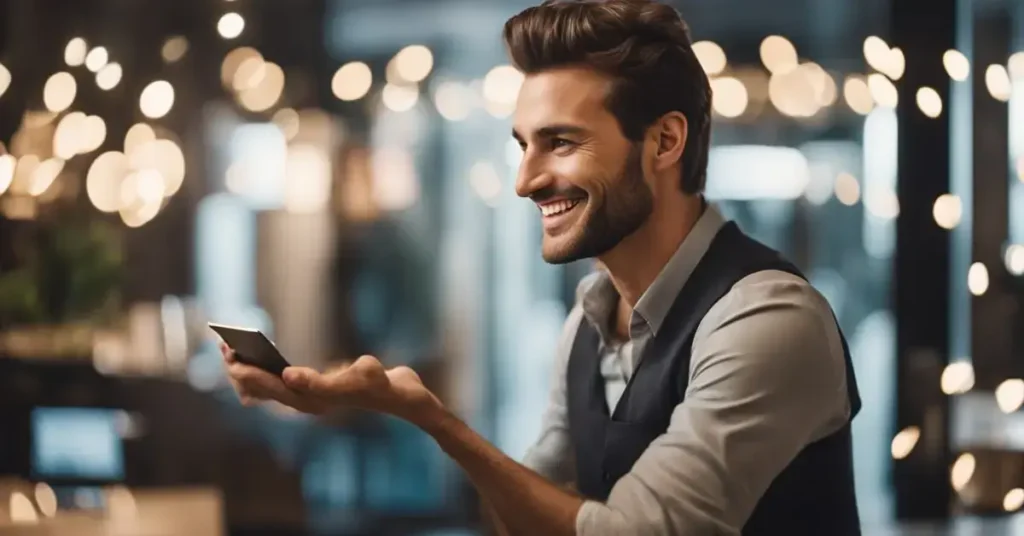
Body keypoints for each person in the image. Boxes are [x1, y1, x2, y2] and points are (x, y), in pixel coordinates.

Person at [221, 0, 862, 534]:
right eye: (524, 146)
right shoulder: (587, 323)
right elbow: (524, 518)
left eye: (560, 142)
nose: (526, 180)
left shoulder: (766, 319)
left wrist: (433, 420)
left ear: (665, 141)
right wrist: (375, 405)